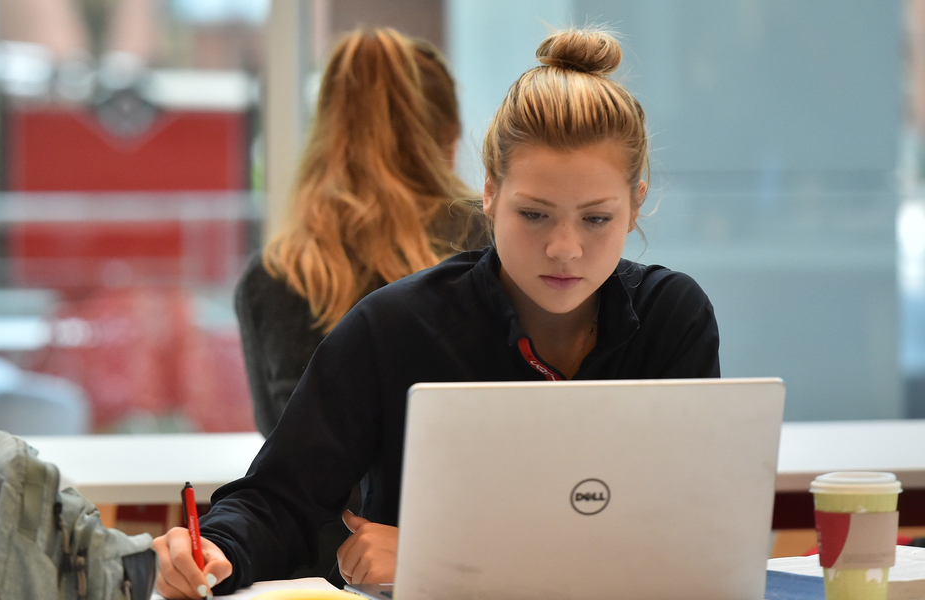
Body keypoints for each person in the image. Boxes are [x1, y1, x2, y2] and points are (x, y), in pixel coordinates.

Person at [155, 26, 720, 599]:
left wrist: (439, 554)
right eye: (534, 215)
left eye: (596, 219)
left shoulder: (673, 316)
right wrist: (215, 548)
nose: (565, 249)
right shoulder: (397, 325)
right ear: (491, 193)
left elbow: (690, 530)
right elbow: (281, 498)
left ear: (636, 203)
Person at [236, 27, 483, 438]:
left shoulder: (271, 278)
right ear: (449, 139)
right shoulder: (493, 244)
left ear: (324, 137)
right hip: (479, 500)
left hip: (325, 506)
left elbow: (278, 455)